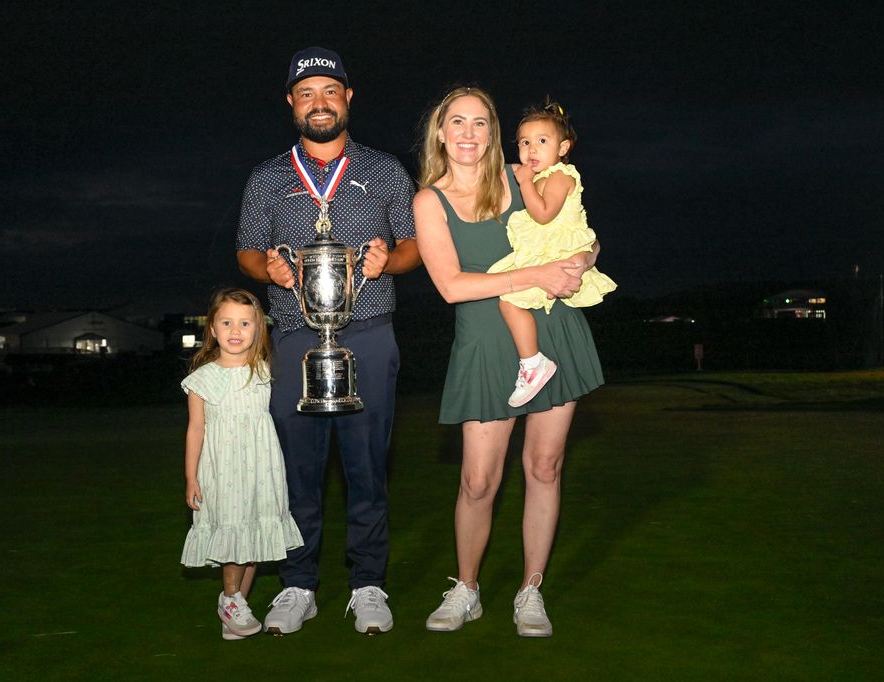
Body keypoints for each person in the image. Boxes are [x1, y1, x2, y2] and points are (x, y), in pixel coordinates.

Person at [235, 46, 419, 635]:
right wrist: (269, 270)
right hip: (292, 335)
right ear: (292, 103)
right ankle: (298, 584)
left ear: (348, 99)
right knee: (298, 470)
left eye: (330, 91)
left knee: (367, 467)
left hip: (368, 332)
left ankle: (368, 583)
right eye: (307, 93)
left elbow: (416, 246)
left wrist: (390, 258)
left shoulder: (385, 169)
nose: (320, 103)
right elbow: (246, 251)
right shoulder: (267, 177)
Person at [412, 86, 604, 637]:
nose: (469, 133)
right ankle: (467, 588)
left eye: (480, 123)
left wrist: (584, 258)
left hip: (553, 331)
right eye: (457, 122)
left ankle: (530, 591)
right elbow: (450, 286)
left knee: (545, 467)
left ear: (492, 133)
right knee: (477, 480)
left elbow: (579, 231)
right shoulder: (429, 201)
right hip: (484, 345)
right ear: (441, 133)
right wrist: (536, 275)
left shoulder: (524, 178)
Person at [179, 287, 304, 641]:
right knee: (234, 532)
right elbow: (195, 430)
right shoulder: (203, 379)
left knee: (253, 539)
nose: (236, 330)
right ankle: (231, 598)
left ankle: (236, 609)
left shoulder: (264, 372)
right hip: (225, 469)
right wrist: (191, 478)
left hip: (261, 468)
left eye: (245, 323)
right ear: (213, 330)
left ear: (258, 329)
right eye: (227, 322)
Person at [488, 98, 617, 407]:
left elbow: (543, 213)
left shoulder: (561, 175)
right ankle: (532, 360)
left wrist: (525, 182)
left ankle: (532, 363)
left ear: (563, 148)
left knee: (507, 300)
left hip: (556, 255)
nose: (531, 149)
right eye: (524, 142)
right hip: (547, 254)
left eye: (542, 141)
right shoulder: (544, 177)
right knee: (507, 298)